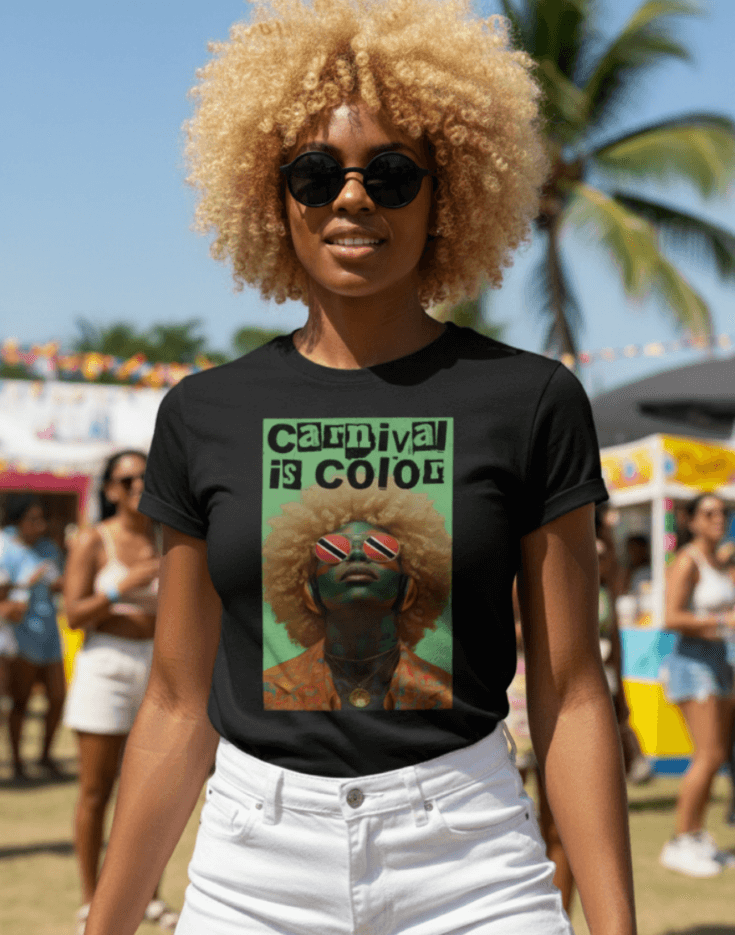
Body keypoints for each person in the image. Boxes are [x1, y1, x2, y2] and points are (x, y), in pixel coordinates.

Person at [84, 2, 636, 933]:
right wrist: (107, 920)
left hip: (471, 857)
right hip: (250, 864)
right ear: (273, 195)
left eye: (390, 172)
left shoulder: (531, 400)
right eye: (313, 173)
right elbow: (178, 701)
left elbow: (573, 690)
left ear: (445, 190)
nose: (352, 197)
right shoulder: (201, 412)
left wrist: (616, 927)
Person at [62, 450, 178, 934]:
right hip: (105, 665)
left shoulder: (165, 537)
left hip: (157, 665)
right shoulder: (94, 539)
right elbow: (75, 613)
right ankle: (93, 900)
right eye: (128, 479)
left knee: (152, 791)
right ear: (110, 489)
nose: (138, 486)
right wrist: (120, 589)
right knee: (96, 790)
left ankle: (148, 896)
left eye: (147, 476)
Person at [262, 480, 452, 710]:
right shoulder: (271, 690)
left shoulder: (445, 692)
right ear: (309, 590)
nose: (357, 556)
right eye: (332, 549)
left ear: (408, 587)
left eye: (381, 548)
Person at [659, 493, 735, 877]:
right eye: (709, 513)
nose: (718, 518)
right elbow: (670, 616)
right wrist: (722, 624)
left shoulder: (719, 561)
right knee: (705, 756)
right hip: (693, 665)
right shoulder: (688, 560)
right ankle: (679, 841)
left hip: (718, 665)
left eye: (722, 512)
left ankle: (696, 835)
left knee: (717, 755)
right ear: (691, 520)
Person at [2, 494, 66, 781]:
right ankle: (16, 762)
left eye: (42, 519)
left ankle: (45, 757)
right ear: (18, 521)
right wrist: (24, 584)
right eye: (33, 519)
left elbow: (59, 584)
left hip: (49, 630)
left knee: (57, 697)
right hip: (20, 634)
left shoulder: (48, 547)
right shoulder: (5, 548)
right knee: (21, 700)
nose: (39, 525)